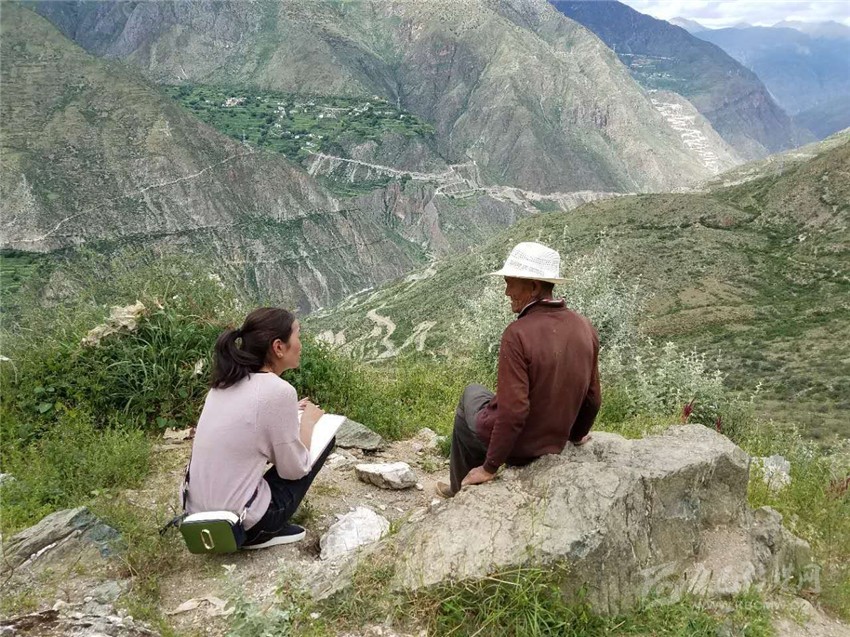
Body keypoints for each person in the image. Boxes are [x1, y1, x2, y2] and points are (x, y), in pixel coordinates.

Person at [437, 242, 601, 498]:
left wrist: (490, 468)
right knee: (485, 395)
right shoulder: (585, 326)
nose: (506, 292)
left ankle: (460, 488)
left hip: (519, 449)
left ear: (534, 287)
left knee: (470, 395)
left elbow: (514, 410)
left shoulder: (517, 334)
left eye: (510, 283)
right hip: (554, 441)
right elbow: (593, 397)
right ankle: (461, 483)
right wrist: (577, 435)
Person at [183, 307, 332, 549]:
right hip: (242, 524)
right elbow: (295, 469)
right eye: (298, 336)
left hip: (196, 516)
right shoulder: (279, 391)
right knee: (325, 438)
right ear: (278, 347)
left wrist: (287, 412)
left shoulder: (222, 384)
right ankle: (265, 532)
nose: (301, 345)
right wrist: (308, 423)